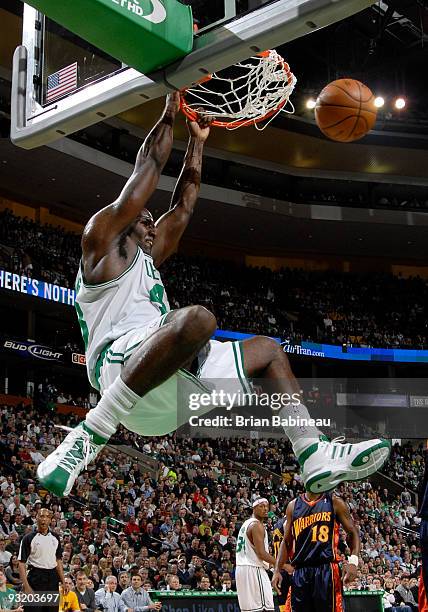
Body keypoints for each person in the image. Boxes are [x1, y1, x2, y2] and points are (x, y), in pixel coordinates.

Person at [37, 92, 390, 499]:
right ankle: (88, 436)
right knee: (199, 320)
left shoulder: (147, 259)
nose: (155, 228)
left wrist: (199, 141)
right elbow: (149, 165)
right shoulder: (100, 245)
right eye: (147, 220)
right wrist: (171, 102)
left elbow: (183, 209)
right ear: (126, 218)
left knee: (269, 351)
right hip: (117, 367)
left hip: (163, 395)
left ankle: (312, 452)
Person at [272, 489, 360, 612]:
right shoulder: (293, 506)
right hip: (300, 571)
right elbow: (286, 541)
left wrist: (353, 561)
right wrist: (277, 570)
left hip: (326, 568)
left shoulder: (334, 501)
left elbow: (352, 532)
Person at [18, 508, 65, 612]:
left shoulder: (56, 537)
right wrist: (26, 586)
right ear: (36, 518)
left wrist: (63, 581)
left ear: (50, 520)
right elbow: (21, 564)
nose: (44, 519)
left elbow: (58, 561)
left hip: (52, 578)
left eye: (47, 517)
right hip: (35, 577)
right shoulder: (28, 538)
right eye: (41, 516)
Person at [236, 498, 276, 612]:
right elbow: (261, 554)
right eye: (261, 506)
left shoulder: (245, 524)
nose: (265, 509)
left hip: (242, 569)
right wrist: (282, 565)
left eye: (266, 506)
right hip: (253, 570)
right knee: (265, 609)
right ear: (253, 508)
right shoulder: (256, 525)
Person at [272, 516, 291, 612]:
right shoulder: (289, 522)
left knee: (282, 601)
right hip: (289, 566)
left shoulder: (276, 525)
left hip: (279, 567)